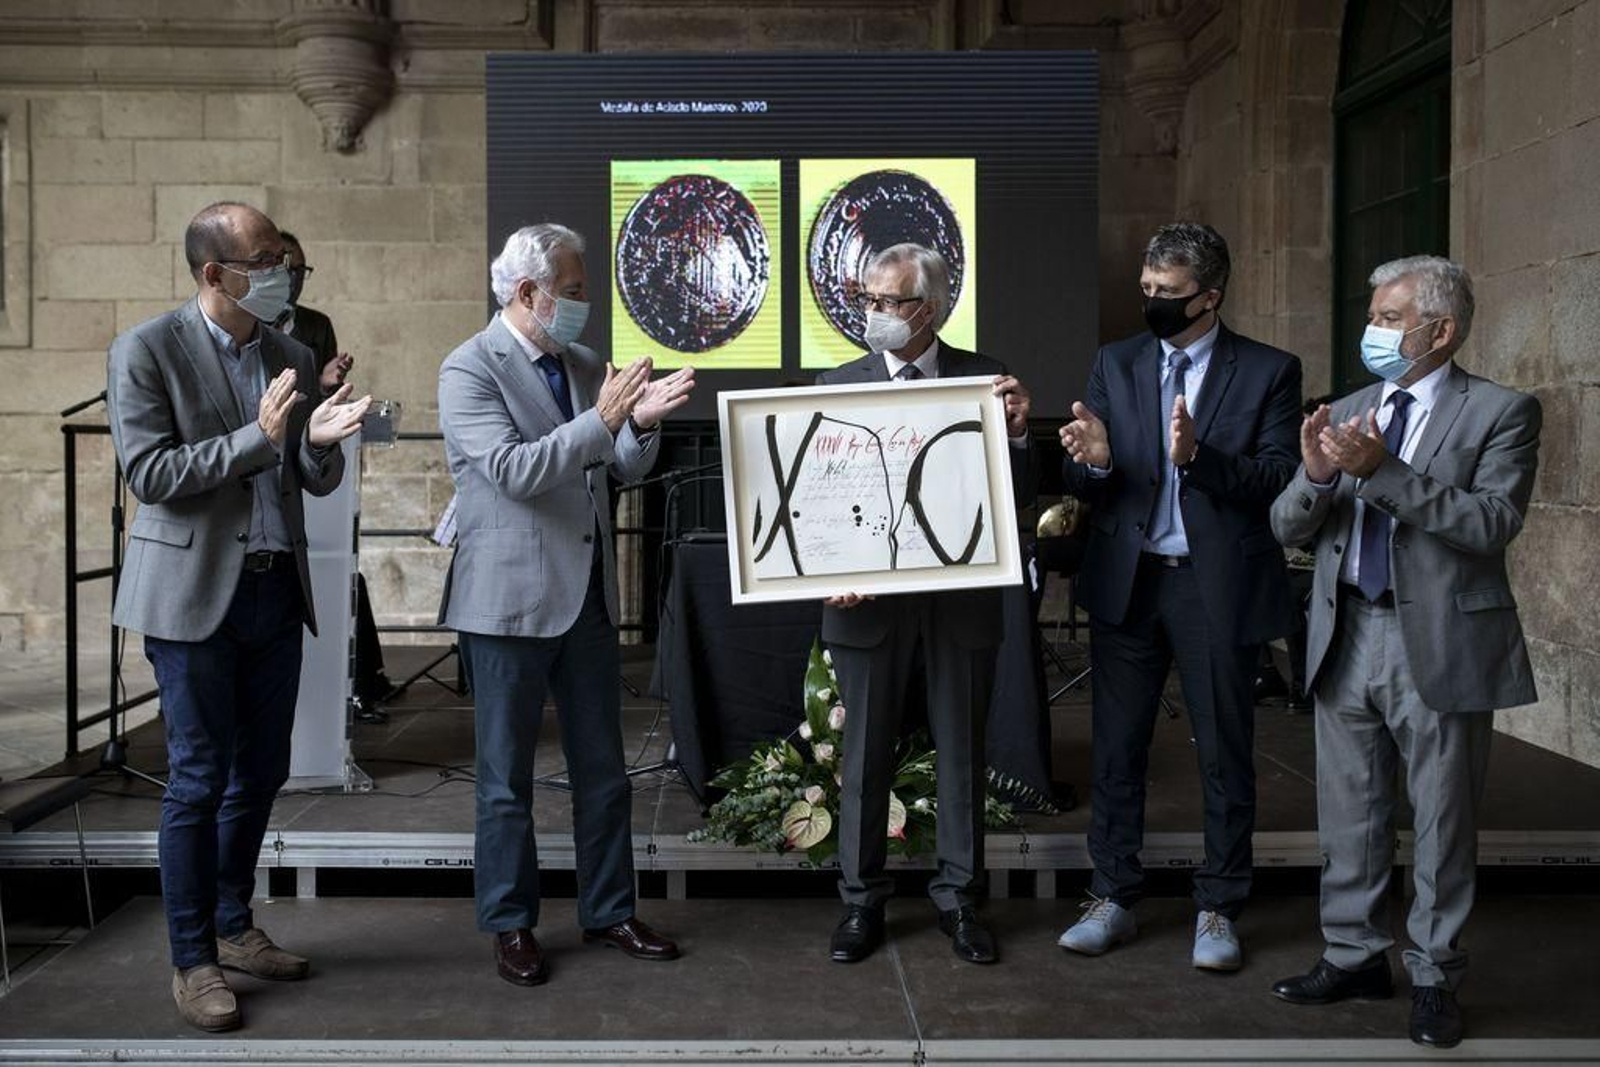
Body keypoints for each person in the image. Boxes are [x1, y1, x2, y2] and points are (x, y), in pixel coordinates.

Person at [105, 202, 372, 1031]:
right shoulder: (146, 349)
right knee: (197, 776)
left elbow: (305, 475)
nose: (283, 272)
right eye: (264, 260)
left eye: (284, 260)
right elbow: (150, 472)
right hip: (190, 596)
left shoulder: (293, 350)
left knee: (261, 773)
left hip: (272, 587)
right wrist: (259, 439)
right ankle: (192, 960)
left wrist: (321, 440)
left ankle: (233, 923)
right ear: (214, 274)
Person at [1268, 256, 1541, 1049]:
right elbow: (1289, 526)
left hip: (1441, 638)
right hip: (1345, 629)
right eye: (1376, 314)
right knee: (1347, 814)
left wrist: (1381, 472)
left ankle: (1434, 973)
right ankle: (1353, 954)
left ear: (1441, 330)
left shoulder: (1500, 410)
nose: (1374, 330)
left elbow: (1491, 523)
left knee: (1442, 818)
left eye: (1389, 318)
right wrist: (1317, 476)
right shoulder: (1349, 405)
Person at [437, 223, 695, 986]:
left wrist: (640, 425)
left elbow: (613, 462)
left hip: (584, 594)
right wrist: (607, 420)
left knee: (604, 771)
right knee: (505, 779)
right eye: (574, 291)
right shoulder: (467, 368)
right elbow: (516, 471)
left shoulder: (582, 362)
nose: (584, 305)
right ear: (527, 293)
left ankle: (610, 908)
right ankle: (511, 923)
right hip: (505, 601)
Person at [1056, 222, 1301, 971]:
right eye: (1146, 290)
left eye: (1167, 293)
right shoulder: (1117, 361)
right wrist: (1094, 465)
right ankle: (1112, 894)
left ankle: (1219, 907)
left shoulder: (1268, 370)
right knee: (1118, 747)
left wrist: (1200, 458)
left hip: (1213, 584)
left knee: (1225, 747)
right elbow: (1085, 480)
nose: (1152, 302)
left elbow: (1276, 478)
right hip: (1128, 581)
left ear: (1209, 297)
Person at [819, 242, 1035, 967]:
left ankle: (961, 899)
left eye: (892, 302)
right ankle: (859, 903)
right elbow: (817, 504)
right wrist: (829, 568)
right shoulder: (835, 382)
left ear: (932, 307)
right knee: (864, 753)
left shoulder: (985, 378)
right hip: (866, 602)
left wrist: (1019, 436)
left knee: (962, 754)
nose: (875, 314)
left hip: (959, 600)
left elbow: (1017, 496)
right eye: (870, 301)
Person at [276, 229, 393, 716]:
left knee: (339, 573)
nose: (296, 279)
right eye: (289, 270)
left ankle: (363, 683)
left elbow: (325, 404)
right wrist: (313, 382)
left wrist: (327, 385)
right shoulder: (246, 325)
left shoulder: (316, 325)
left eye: (303, 271)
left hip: (311, 468)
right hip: (262, 468)